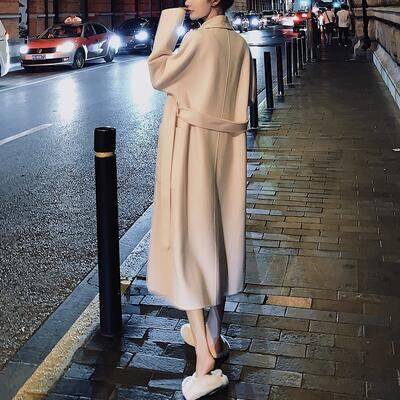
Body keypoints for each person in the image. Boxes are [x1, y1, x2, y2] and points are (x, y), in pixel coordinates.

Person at [146, 0, 255, 398]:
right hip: (227, 155)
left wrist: (168, 24)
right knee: (220, 239)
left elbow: (159, 73)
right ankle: (212, 334)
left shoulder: (197, 41)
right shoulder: (239, 44)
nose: (187, 1)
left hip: (191, 152)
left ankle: (205, 360)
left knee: (189, 240)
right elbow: (247, 95)